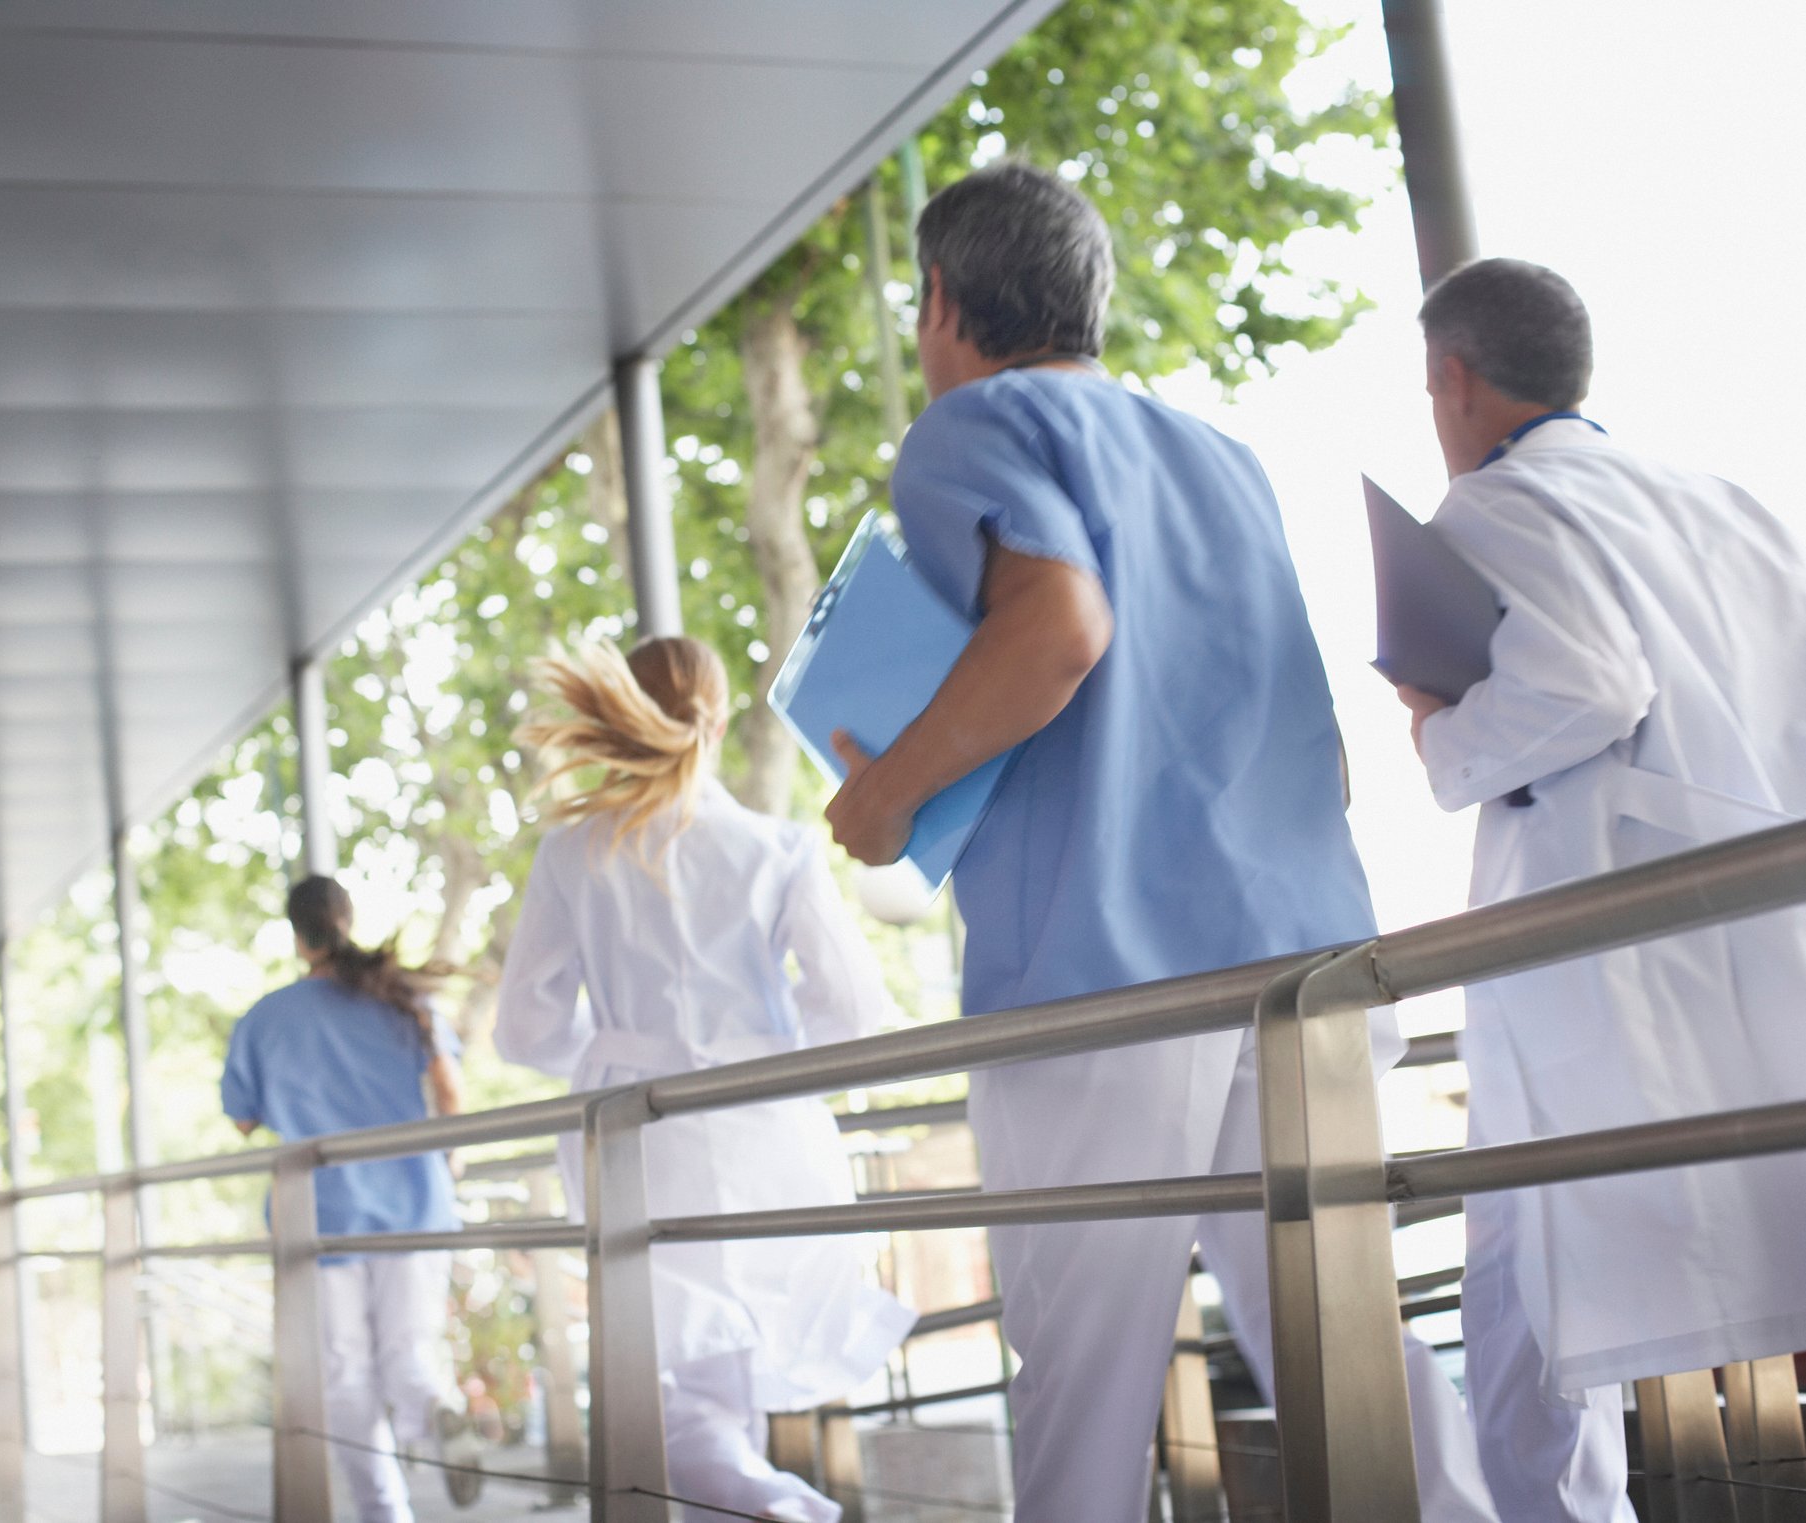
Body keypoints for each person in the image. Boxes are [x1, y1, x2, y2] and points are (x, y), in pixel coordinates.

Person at [823, 162, 1498, 1523]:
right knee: (1353, 1361)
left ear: (939, 300)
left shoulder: (969, 425)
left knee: (1084, 1402)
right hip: (1304, 965)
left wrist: (885, 796)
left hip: (1104, 983)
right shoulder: (1218, 457)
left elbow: (1058, 628)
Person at [1394, 257, 1806, 1523]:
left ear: (1452, 377)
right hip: (1764, 939)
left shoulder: (1493, 503)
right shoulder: (1724, 503)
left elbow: (1583, 681)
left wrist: (1435, 726)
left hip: (1616, 961)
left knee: (1533, 1316)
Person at [496, 635, 914, 1523]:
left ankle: (774, 1504)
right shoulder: (778, 845)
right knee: (731, 1365)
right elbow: (852, 1007)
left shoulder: (573, 852)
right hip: (768, 1126)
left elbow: (525, 1029)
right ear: (719, 720)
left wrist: (609, 1049)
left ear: (619, 719)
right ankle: (770, 1501)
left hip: (635, 1135)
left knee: (676, 1372)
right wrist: (765, 1048)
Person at [222, 875, 484, 1523]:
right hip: (415, 1201)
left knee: (344, 1373)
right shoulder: (401, 1000)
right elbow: (449, 1092)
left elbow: (244, 1117)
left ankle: (384, 1512)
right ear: (347, 918)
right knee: (409, 1352)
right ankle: (434, 1413)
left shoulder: (266, 1018)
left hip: (321, 1213)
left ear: (296, 934)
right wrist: (446, 1164)